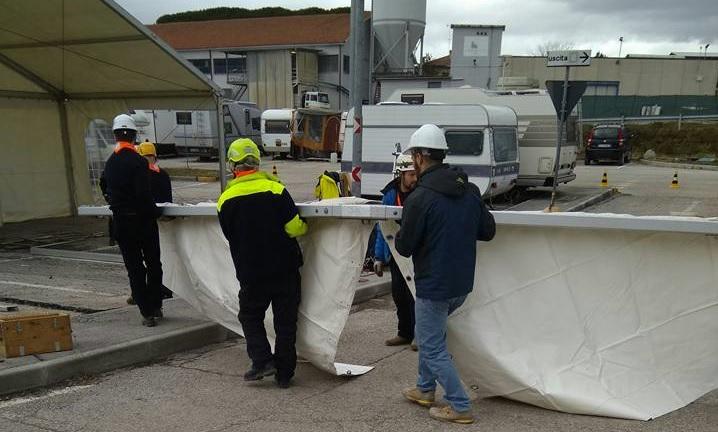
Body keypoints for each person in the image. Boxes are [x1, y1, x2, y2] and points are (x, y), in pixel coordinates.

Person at [395, 124, 496, 425]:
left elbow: (404, 246)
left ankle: (460, 405)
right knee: (432, 337)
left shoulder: (420, 198)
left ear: (420, 158)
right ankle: (425, 390)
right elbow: (487, 231)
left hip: (434, 285)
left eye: (413, 155)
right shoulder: (469, 189)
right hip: (462, 284)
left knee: (430, 344)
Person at [217, 138, 308, 389]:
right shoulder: (276, 190)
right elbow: (295, 227)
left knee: (250, 315)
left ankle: (261, 360)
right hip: (284, 269)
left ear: (233, 166)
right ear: (257, 162)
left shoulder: (225, 199)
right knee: (285, 323)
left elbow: (229, 234)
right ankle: (284, 375)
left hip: (251, 271)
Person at [100, 114, 164, 327]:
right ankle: (155, 304)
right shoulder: (138, 162)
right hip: (142, 222)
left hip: (121, 222)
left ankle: (146, 312)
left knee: (134, 268)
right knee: (154, 264)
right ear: (134, 136)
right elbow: (143, 195)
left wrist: (113, 201)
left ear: (116, 135)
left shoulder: (111, 162)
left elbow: (103, 186)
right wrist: (156, 213)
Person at [373, 154, 417, 349]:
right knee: (399, 295)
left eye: (416, 174)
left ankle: (419, 335)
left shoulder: (420, 194)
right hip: (395, 254)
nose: (415, 179)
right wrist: (379, 257)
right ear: (401, 175)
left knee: (414, 296)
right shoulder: (390, 195)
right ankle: (404, 333)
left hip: (414, 254)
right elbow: (382, 228)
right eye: (411, 175)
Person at [136, 140, 174, 301]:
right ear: (155, 157)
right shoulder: (163, 174)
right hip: (163, 218)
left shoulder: (140, 175)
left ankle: (146, 292)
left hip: (146, 220)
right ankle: (165, 288)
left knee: (147, 260)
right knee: (161, 258)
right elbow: (169, 199)